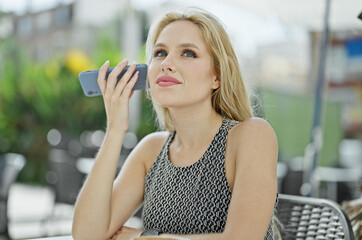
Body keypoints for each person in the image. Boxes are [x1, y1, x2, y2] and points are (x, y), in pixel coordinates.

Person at [72, 7, 279, 240]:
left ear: (217, 76)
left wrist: (144, 237)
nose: (166, 64)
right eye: (160, 53)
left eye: (188, 53)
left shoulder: (251, 136)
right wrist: (114, 129)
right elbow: (87, 235)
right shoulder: (151, 150)